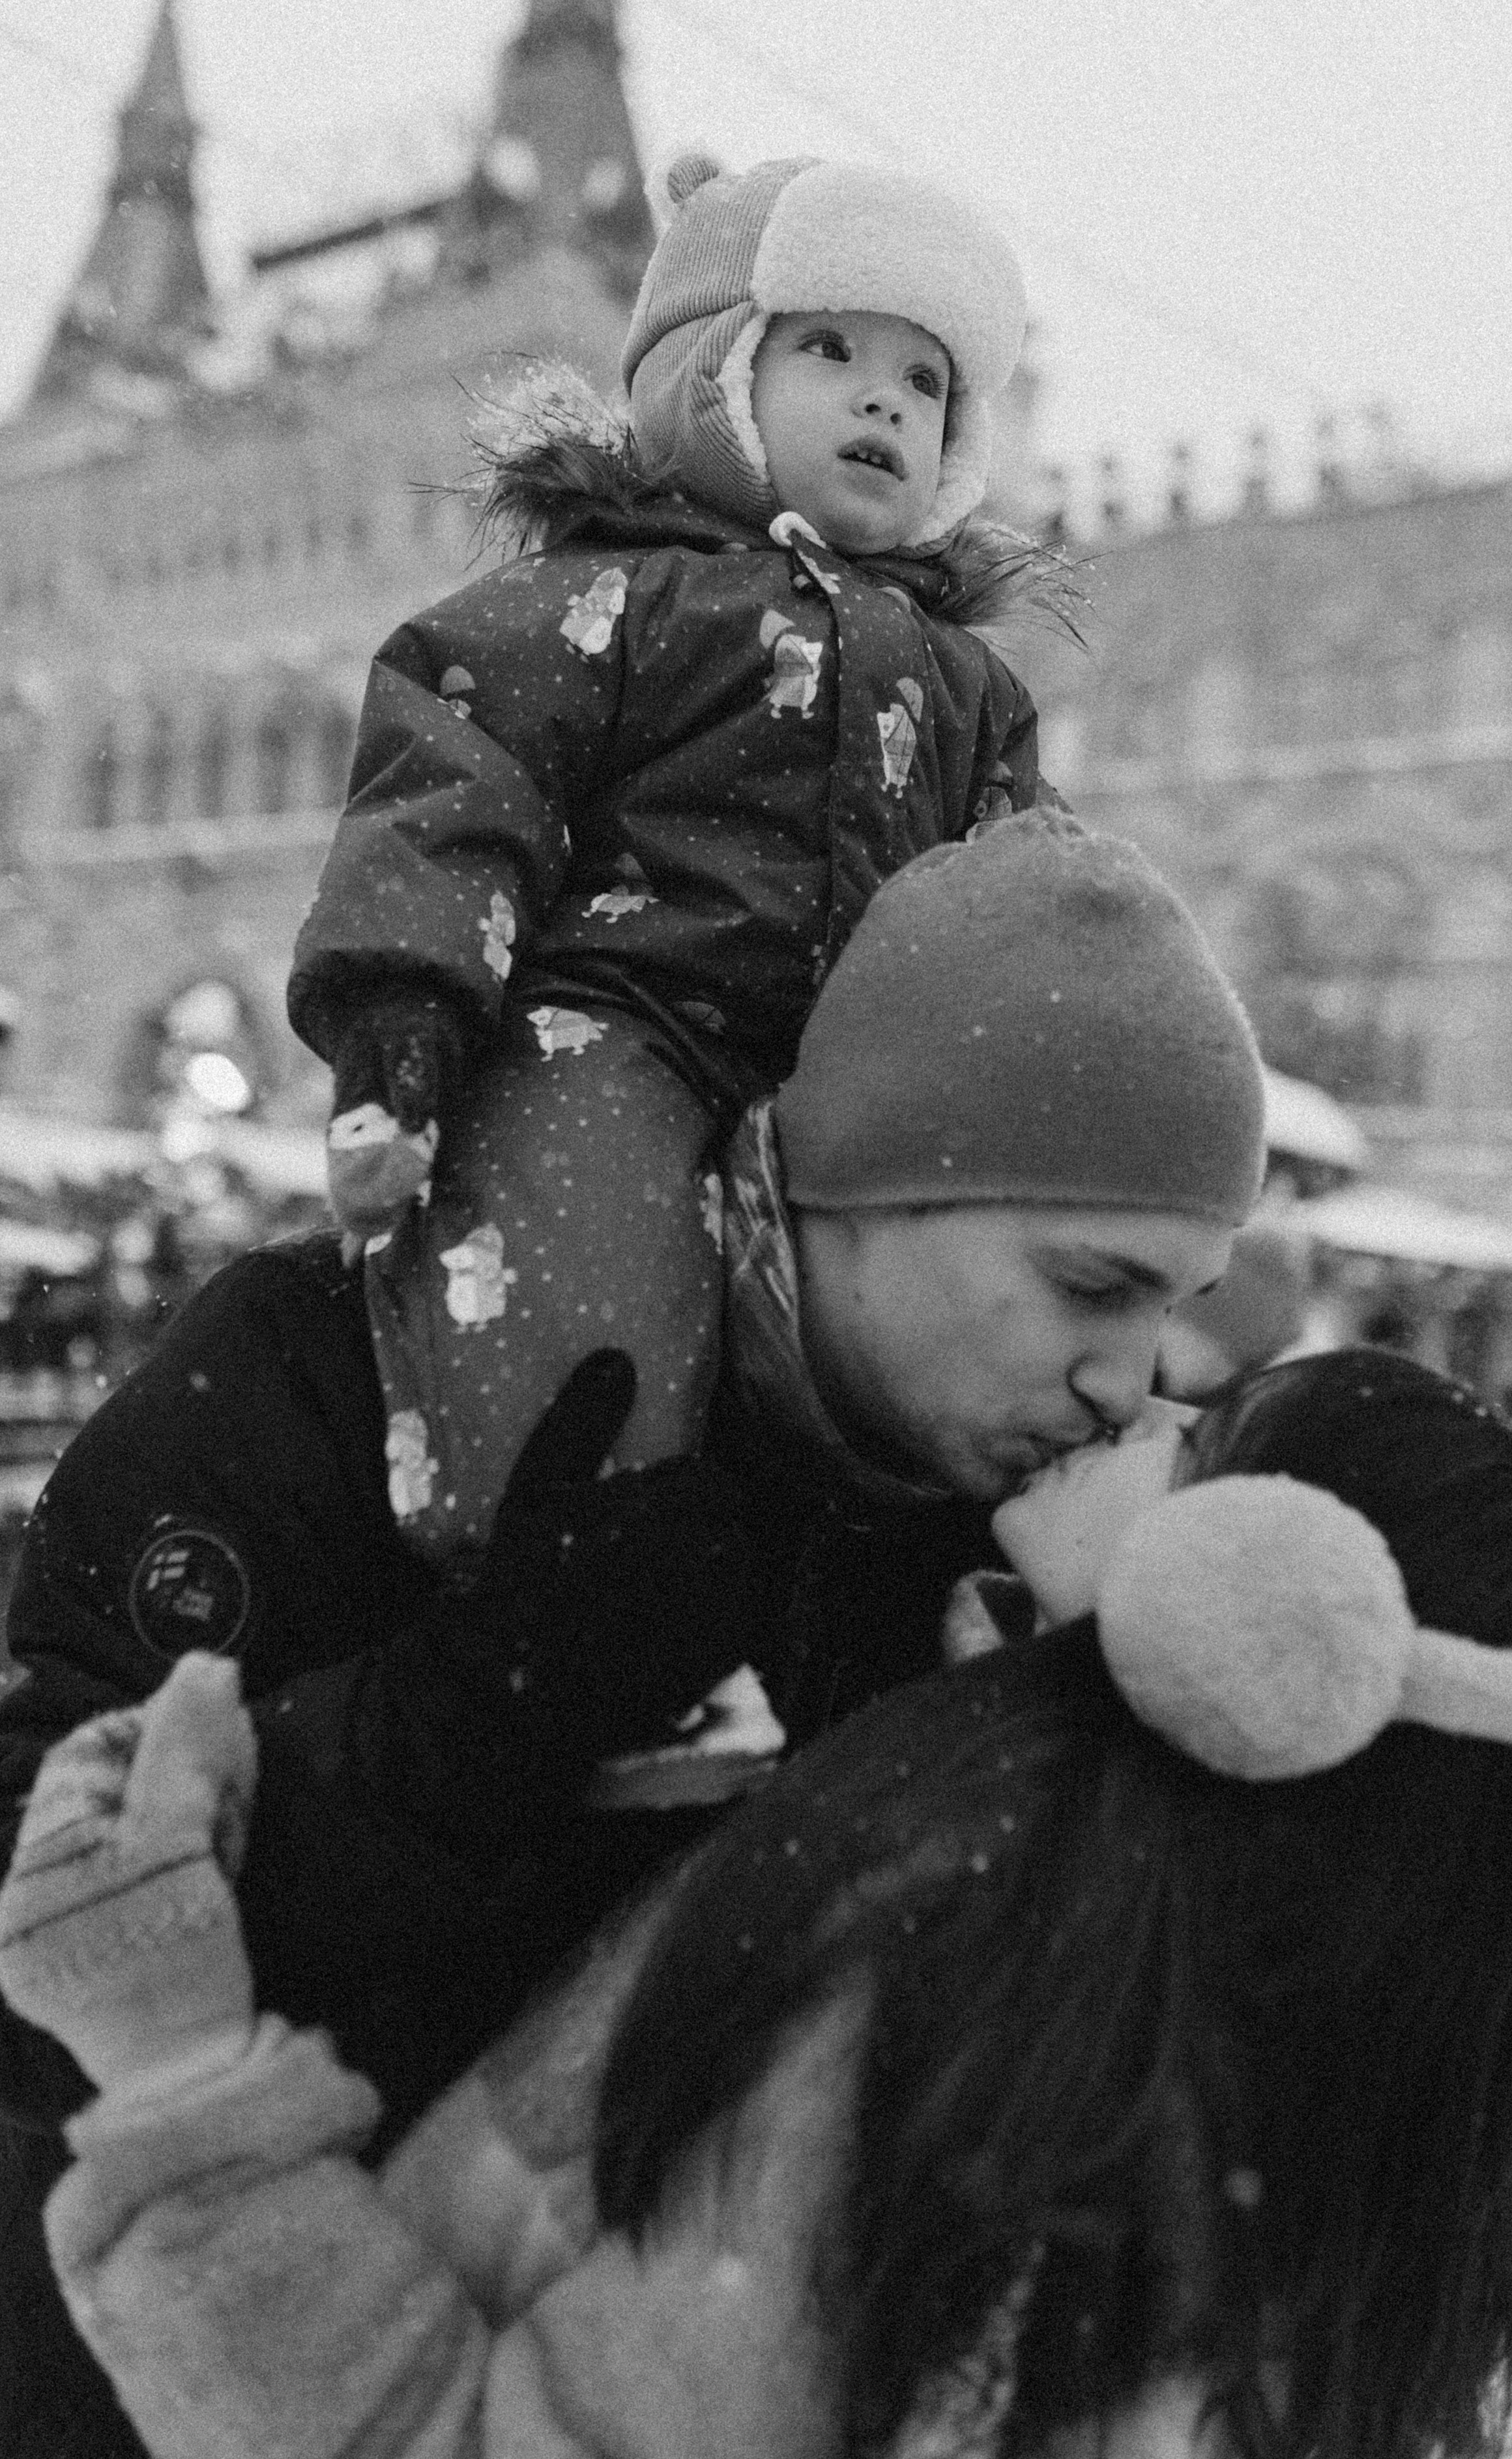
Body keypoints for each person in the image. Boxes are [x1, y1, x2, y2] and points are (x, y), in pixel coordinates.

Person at [0, 814, 1266, 2459]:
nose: (1132, 1373)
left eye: (1178, 1304)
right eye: (1094, 1281)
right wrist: (440, 1735)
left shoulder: (997, 1565)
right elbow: (33, 1950)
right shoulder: (342, 1358)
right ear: (854, 1189)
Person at [2, 1346, 1512, 2458]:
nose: (1133, 1395)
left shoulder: (980, 2025)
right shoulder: (1252, 2066)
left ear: (1262, 1609)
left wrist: (176, 2067)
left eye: (1199, 1438)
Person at [295, 145, 1064, 1562]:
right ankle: (568, 1585)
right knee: (581, 1278)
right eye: (829, 346)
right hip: (617, 1022)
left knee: (918, 1347)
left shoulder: (966, 683)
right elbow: (454, 795)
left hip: (842, 1077)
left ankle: (906, 1599)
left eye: (928, 378)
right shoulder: (608, 596)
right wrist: (402, 1025)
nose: (887, 395)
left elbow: (1025, 897)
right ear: (716, 369)